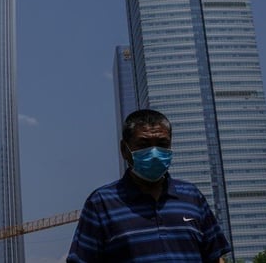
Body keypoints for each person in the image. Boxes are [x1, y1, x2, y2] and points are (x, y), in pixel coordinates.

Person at [66, 109, 230, 262]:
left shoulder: (192, 196)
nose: (154, 152)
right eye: (144, 144)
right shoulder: (101, 203)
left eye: (162, 144)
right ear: (124, 149)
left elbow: (215, 258)